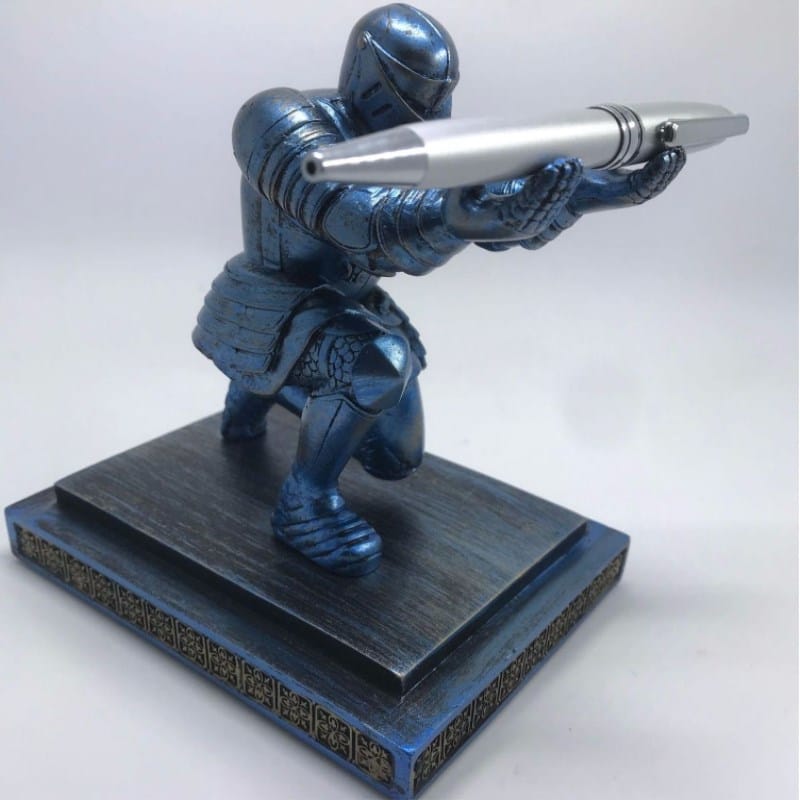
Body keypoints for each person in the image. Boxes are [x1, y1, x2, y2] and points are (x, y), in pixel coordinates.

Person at [193, 4, 685, 576]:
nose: (431, 113)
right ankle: (306, 501)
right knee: (380, 363)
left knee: (395, 457)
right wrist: (457, 218)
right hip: (274, 295)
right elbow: (357, 219)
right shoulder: (276, 118)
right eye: (417, 92)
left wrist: (594, 192)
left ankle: (257, 394)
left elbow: (491, 203)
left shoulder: (414, 139)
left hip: (348, 299)